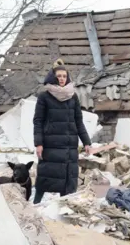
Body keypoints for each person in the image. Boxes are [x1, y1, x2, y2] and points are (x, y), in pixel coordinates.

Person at [33, 63, 92, 204]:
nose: (61, 79)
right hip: (50, 146)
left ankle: (64, 210)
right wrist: (38, 143)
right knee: (45, 178)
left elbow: (79, 121)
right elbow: (38, 121)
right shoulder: (44, 97)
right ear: (53, 77)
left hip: (69, 147)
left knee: (68, 182)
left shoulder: (73, 97)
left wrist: (87, 142)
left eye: (64, 76)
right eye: (58, 76)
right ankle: (35, 205)